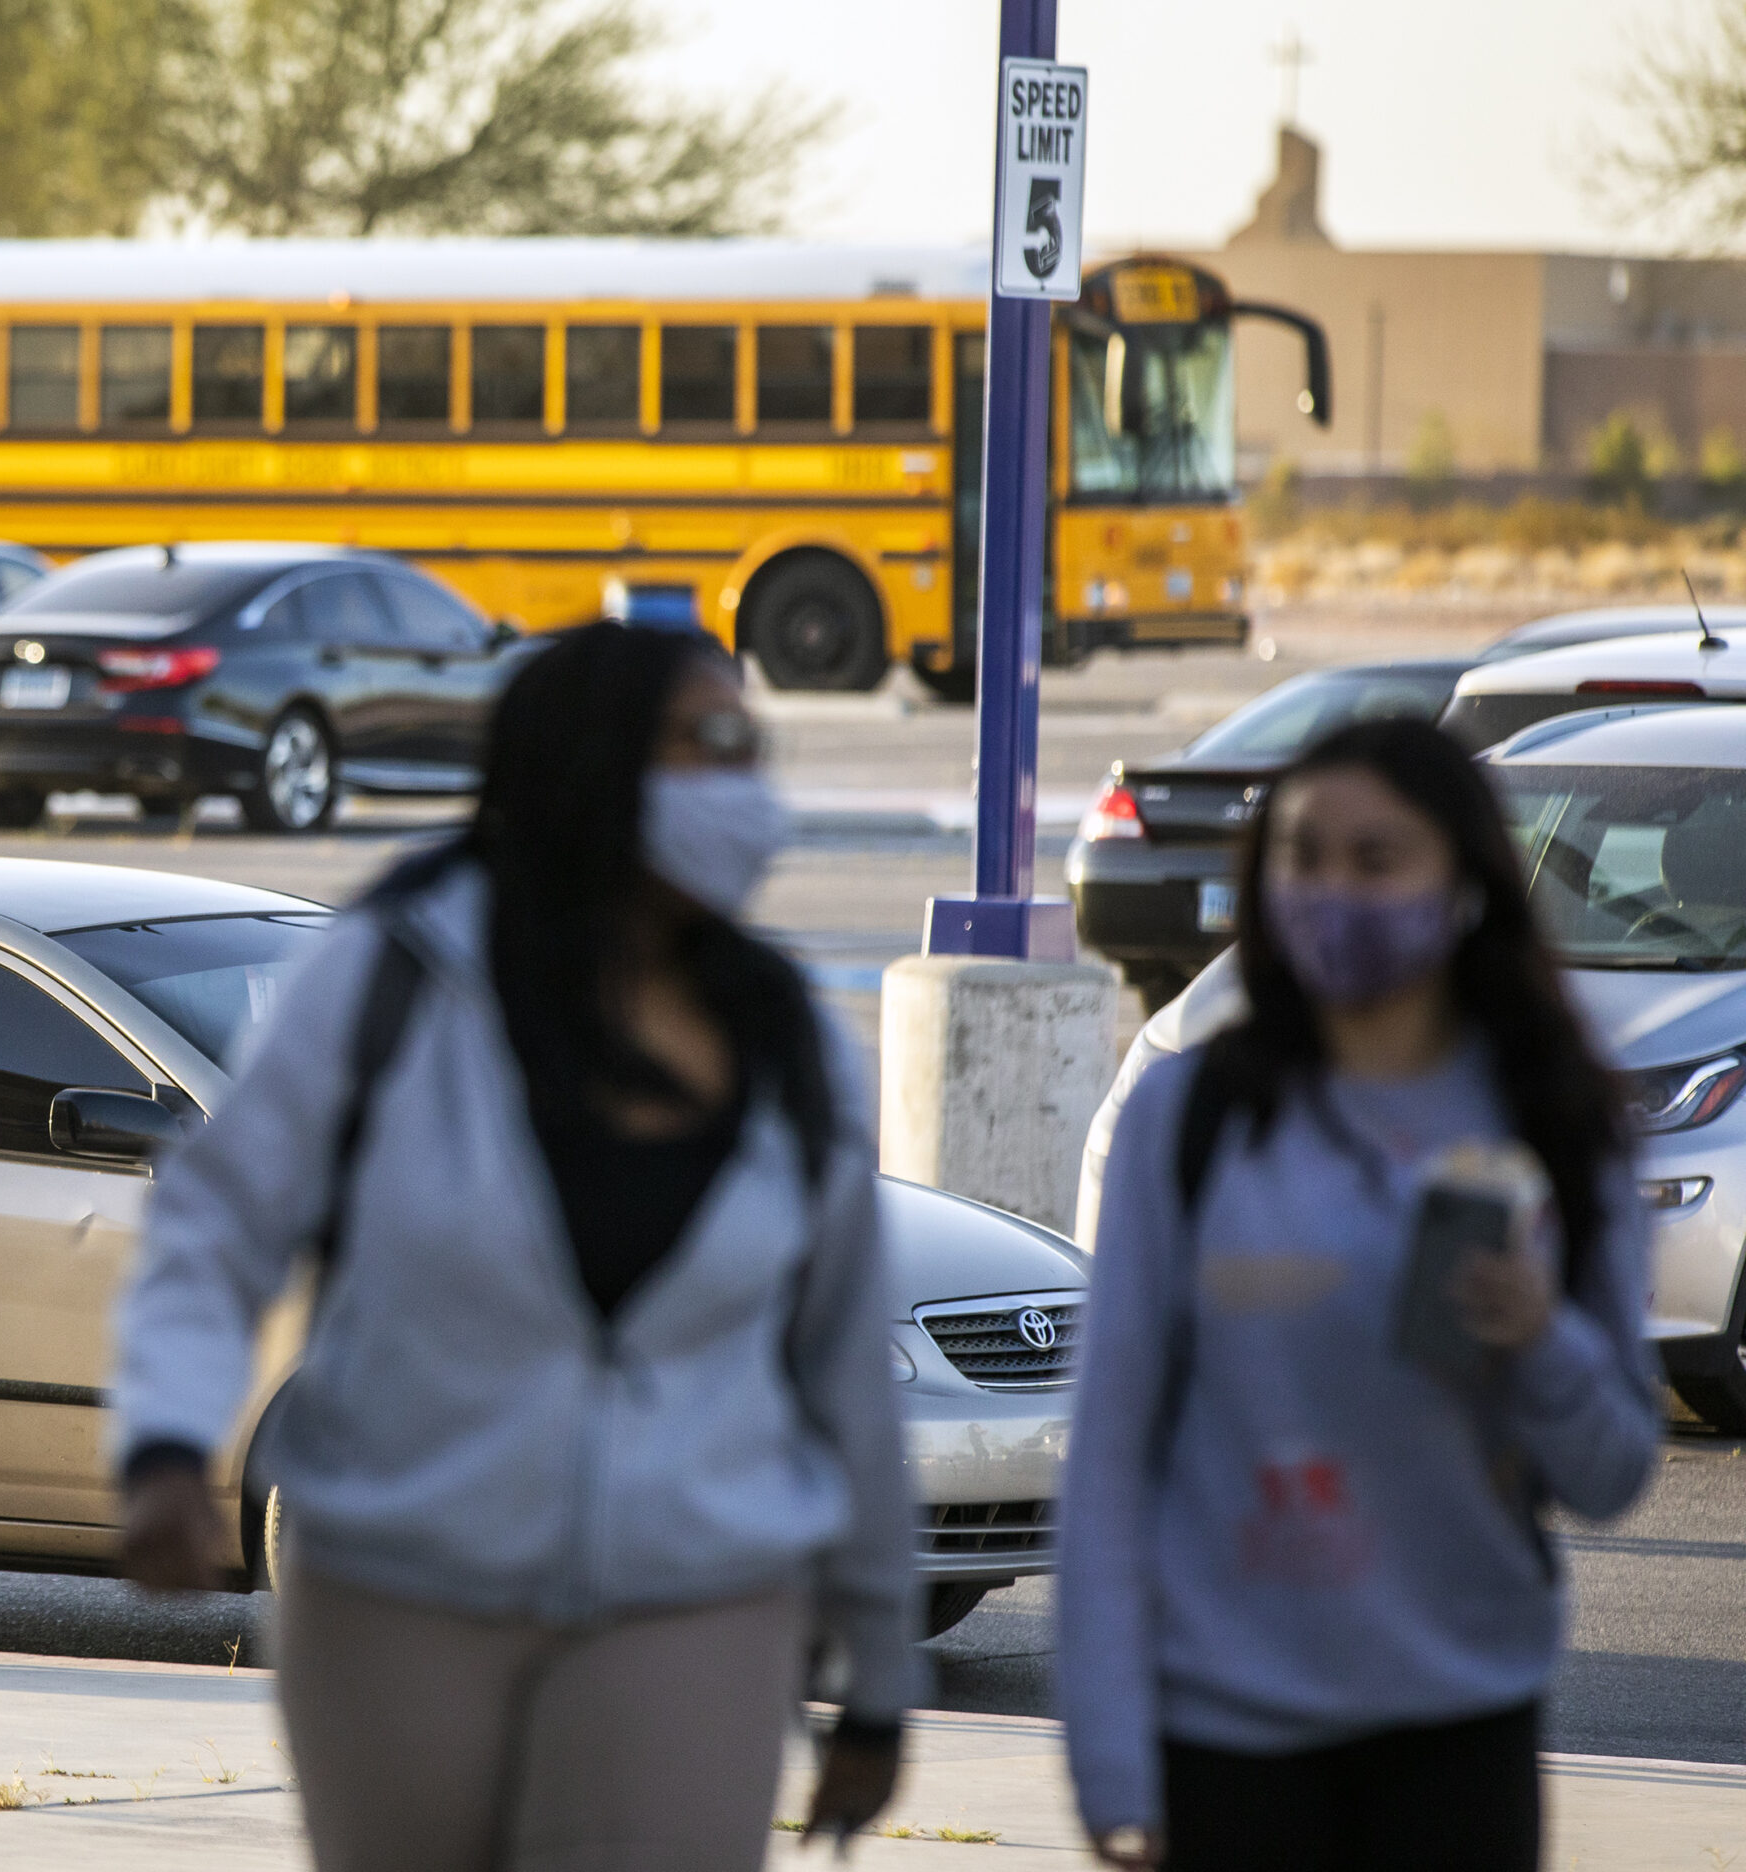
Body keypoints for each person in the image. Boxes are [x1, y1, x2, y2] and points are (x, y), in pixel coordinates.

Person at [115, 622, 915, 1871]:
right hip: (399, 1590)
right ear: (588, 762)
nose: (746, 790)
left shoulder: (785, 1041)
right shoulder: (394, 975)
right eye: (707, 746)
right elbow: (222, 1217)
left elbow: (842, 1368)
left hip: (698, 1599)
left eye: (752, 751)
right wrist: (167, 1440)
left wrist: (876, 1669)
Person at [1059, 718, 1658, 1872]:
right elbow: (1108, 1454)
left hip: (1457, 1732)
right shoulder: (1184, 1116)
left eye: (1376, 861)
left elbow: (1610, 1471)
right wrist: (1109, 1756)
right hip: (1224, 1735)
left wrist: (1541, 1339)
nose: (1332, 893)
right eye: (1302, 858)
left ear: (1466, 883)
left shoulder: (1553, 1122)